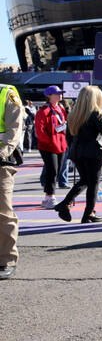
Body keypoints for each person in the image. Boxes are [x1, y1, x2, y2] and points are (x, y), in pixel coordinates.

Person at [55, 86, 102, 224]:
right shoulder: (96, 113)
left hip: (77, 152)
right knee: (93, 183)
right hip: (93, 152)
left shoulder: (73, 114)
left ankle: (66, 204)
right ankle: (88, 213)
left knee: (85, 180)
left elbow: (69, 136)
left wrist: (74, 149)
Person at [0, 83, 26, 280]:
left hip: (1, 162)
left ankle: (7, 259)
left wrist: (1, 153)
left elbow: (14, 131)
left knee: (3, 213)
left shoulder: (6, 94)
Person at [34, 85, 68, 209]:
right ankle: (49, 197)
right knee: (52, 171)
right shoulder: (43, 111)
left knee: (58, 171)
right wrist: (49, 141)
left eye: (60, 93)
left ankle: (49, 196)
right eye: (57, 94)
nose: (60, 95)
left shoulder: (61, 108)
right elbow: (40, 130)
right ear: (49, 96)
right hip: (48, 146)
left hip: (61, 144)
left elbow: (63, 125)